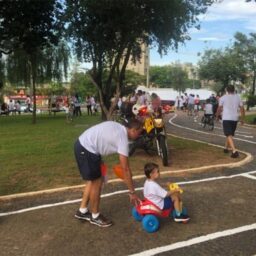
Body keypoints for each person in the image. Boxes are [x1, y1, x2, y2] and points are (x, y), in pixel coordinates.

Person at [74, 119, 143, 227]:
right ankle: (95, 216)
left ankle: (82, 211)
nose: (139, 135)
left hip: (84, 145)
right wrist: (132, 192)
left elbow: (101, 136)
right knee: (97, 182)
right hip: (87, 148)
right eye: (139, 132)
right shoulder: (123, 139)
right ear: (133, 130)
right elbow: (125, 169)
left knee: (93, 180)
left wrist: (99, 160)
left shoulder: (119, 127)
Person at [216, 85, 245, 158]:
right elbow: (242, 108)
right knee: (230, 134)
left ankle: (234, 151)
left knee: (228, 134)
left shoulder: (223, 98)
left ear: (226, 90)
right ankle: (225, 148)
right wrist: (242, 118)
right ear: (234, 90)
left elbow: (219, 108)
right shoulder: (238, 97)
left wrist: (217, 116)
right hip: (234, 118)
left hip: (226, 118)